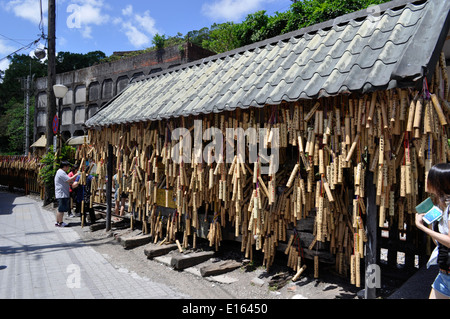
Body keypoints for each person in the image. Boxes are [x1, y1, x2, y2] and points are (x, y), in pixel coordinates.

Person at [415, 163, 450, 299]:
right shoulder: (442, 206)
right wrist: (430, 223)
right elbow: (439, 243)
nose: (427, 181)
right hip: (444, 273)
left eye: (429, 179)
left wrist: (421, 226)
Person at [54, 161, 79, 227]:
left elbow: (67, 181)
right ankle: (60, 223)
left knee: (60, 208)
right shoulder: (61, 172)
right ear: (64, 167)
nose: (68, 168)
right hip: (62, 193)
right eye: (67, 167)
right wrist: (77, 175)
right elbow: (69, 180)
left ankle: (57, 222)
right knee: (61, 209)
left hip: (61, 192)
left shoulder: (60, 172)